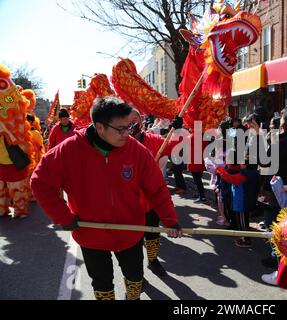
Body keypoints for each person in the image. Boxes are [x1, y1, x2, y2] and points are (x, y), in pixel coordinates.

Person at [30, 97, 183, 300]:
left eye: (129, 127)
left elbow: (157, 190)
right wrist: (63, 216)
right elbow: (40, 182)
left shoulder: (136, 151)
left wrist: (171, 221)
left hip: (130, 231)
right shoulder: (69, 150)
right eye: (120, 129)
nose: (127, 134)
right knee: (102, 285)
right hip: (90, 233)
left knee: (135, 280)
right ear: (99, 127)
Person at [128, 108, 182, 277]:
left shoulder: (153, 139)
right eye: (127, 121)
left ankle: (153, 260)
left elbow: (173, 147)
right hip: (129, 202)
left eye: (135, 120)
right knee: (132, 242)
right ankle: (135, 273)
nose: (131, 125)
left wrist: (177, 130)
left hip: (151, 200)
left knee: (152, 234)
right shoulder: (118, 144)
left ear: (141, 121)